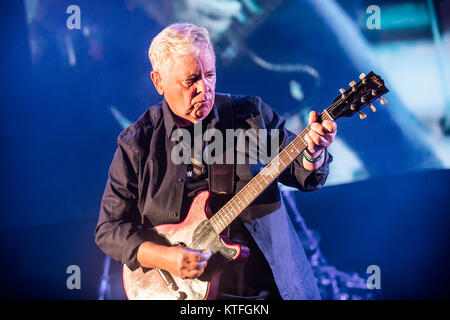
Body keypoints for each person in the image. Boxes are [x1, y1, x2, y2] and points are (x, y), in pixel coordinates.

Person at [95, 23, 337, 300]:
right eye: (191, 80)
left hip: (268, 289)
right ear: (158, 81)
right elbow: (109, 229)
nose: (205, 88)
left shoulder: (249, 117)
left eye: (210, 75)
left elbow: (301, 173)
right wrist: (165, 257)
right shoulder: (137, 143)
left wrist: (313, 151)